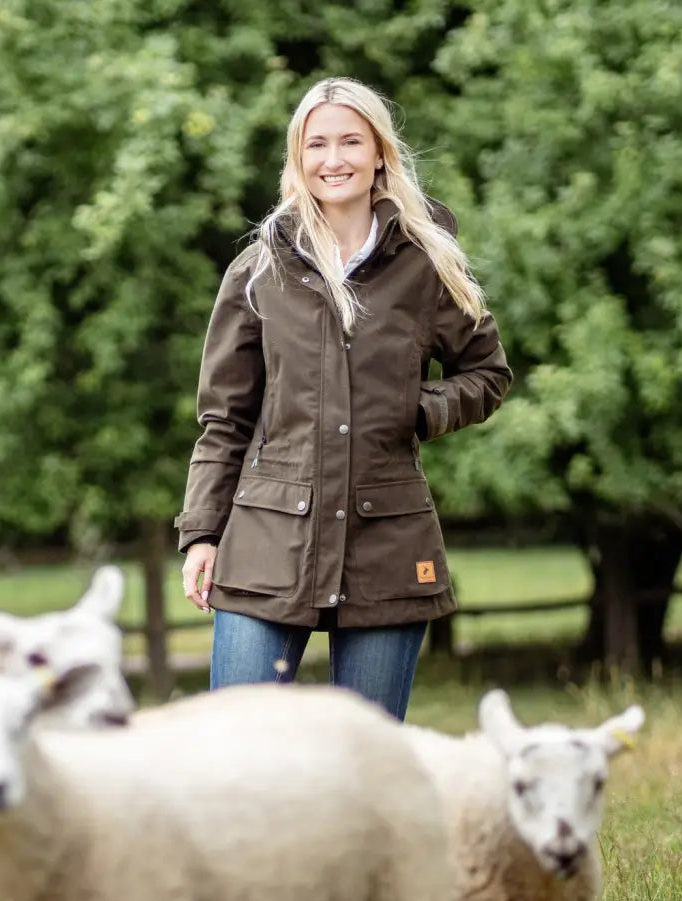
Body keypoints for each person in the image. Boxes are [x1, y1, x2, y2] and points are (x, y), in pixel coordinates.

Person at [174, 76, 512, 721]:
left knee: (369, 771)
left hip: (388, 544)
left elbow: (486, 373)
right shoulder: (258, 272)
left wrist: (418, 410)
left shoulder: (428, 265)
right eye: (317, 144)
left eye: (351, 141)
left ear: (380, 151)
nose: (335, 159)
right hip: (266, 540)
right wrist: (201, 534)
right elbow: (224, 420)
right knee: (240, 753)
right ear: (298, 159)